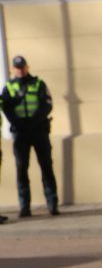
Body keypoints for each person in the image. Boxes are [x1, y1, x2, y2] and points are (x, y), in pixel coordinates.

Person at [1, 55, 59, 219]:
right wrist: (18, 123)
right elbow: (6, 108)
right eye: (17, 68)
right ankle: (24, 207)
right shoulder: (9, 87)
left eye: (23, 67)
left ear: (27, 67)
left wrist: (34, 121)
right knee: (21, 169)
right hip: (20, 133)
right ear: (13, 69)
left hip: (39, 130)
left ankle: (52, 204)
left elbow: (47, 104)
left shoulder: (39, 84)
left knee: (46, 166)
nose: (20, 70)